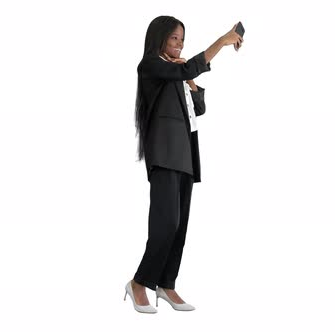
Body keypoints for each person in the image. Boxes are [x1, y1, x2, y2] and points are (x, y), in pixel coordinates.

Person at [124, 16, 243, 314]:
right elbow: (188, 67)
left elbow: (199, 109)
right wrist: (222, 42)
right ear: (160, 38)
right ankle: (140, 283)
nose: (179, 44)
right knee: (166, 224)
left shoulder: (175, 73)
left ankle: (166, 283)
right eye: (174, 38)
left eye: (182, 39)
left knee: (180, 227)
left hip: (186, 156)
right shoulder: (151, 65)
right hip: (164, 154)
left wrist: (189, 80)